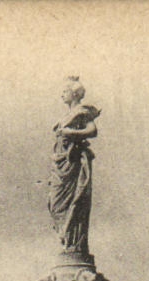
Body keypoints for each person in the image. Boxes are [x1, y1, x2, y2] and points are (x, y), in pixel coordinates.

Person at [49, 77, 100, 255]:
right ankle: (66, 242)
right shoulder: (65, 115)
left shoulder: (81, 111)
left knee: (75, 202)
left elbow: (92, 131)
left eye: (65, 91)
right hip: (61, 164)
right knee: (55, 204)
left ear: (75, 93)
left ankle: (73, 244)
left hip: (73, 162)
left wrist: (72, 132)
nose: (62, 94)